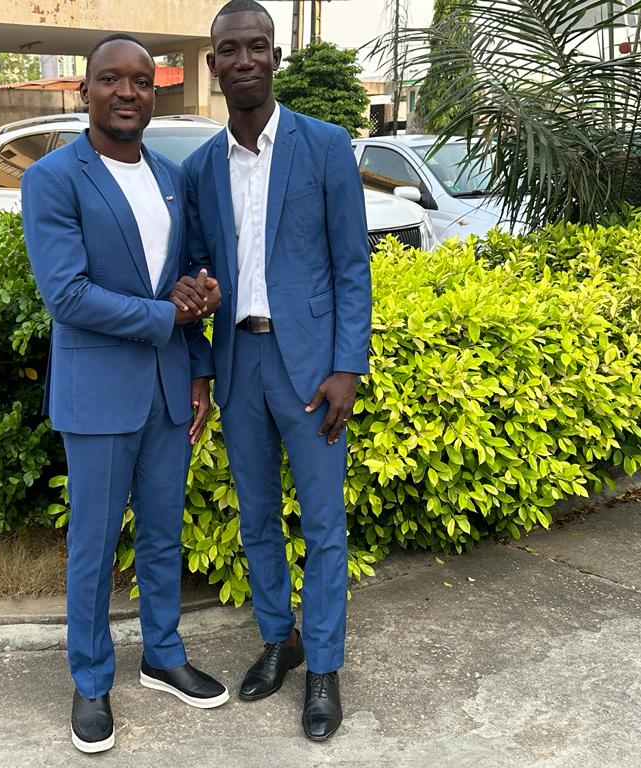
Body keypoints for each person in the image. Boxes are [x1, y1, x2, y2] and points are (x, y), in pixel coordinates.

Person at [21, 33, 229, 755]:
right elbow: (67, 294)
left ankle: (163, 656)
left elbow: (186, 275)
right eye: (110, 79)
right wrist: (166, 315)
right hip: (99, 393)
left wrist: (198, 359)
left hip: (169, 388)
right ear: (85, 91)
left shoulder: (170, 175)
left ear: (154, 94)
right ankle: (90, 680)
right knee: (95, 543)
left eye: (141, 81)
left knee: (164, 533)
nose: (127, 92)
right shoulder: (53, 178)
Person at [176, 0, 372, 743]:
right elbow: (196, 279)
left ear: (275, 56)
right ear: (213, 64)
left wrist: (347, 365)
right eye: (230, 49)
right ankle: (278, 640)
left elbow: (351, 266)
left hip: (313, 368)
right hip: (240, 363)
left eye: (257, 46)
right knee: (256, 516)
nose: (245, 60)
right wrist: (201, 368)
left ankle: (323, 665)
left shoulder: (324, 146)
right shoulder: (200, 168)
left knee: (322, 524)